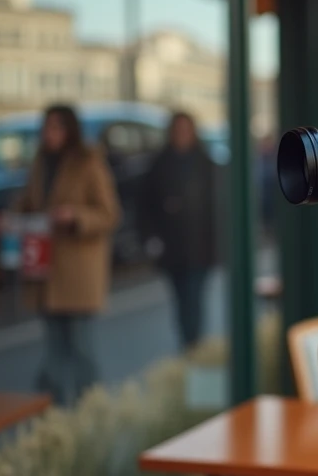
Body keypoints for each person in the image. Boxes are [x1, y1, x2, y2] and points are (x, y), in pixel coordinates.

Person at [15, 104, 119, 406]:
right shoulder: (40, 163)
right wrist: (13, 216)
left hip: (77, 272)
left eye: (56, 127)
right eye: (46, 127)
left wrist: (75, 216)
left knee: (81, 349)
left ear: (69, 130)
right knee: (54, 350)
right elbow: (29, 202)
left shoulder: (88, 162)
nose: (49, 134)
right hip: (46, 270)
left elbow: (109, 214)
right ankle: (59, 416)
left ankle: (90, 412)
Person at [140, 111, 217, 349]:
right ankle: (188, 346)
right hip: (172, 247)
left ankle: (194, 347)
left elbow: (218, 206)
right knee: (182, 301)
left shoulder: (205, 164)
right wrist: (151, 238)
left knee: (194, 300)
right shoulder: (160, 164)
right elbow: (145, 205)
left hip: (200, 248)